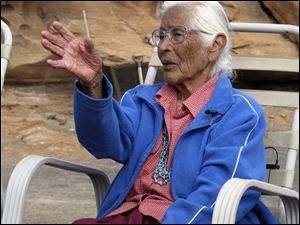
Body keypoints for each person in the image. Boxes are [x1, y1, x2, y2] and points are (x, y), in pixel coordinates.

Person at [41, 1, 280, 224]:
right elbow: (105, 144)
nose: (163, 46)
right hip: (130, 215)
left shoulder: (238, 114)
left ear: (214, 46)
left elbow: (216, 198)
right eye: (161, 35)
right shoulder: (143, 99)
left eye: (177, 34)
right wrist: (92, 84)